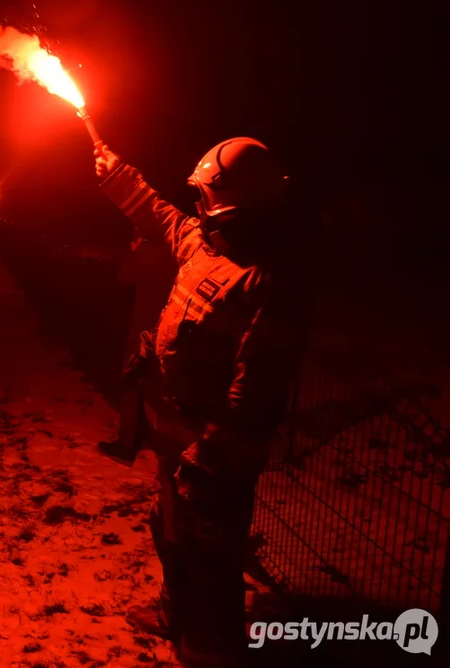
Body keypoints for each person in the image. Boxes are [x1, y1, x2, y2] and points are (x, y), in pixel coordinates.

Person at [93, 138, 304, 666]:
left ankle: (208, 650)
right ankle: (175, 615)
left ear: (233, 202)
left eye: (206, 196)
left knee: (209, 558)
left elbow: (252, 396)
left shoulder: (265, 283)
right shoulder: (205, 246)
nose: (197, 207)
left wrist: (208, 462)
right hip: (176, 439)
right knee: (170, 535)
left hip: (211, 462)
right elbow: (158, 211)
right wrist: (116, 172)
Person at [99, 229, 177, 465]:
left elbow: (124, 277)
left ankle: (126, 444)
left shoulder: (146, 252)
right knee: (158, 386)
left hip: (144, 327)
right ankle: (162, 442)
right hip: (170, 328)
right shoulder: (179, 250)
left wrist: (134, 251)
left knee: (130, 382)